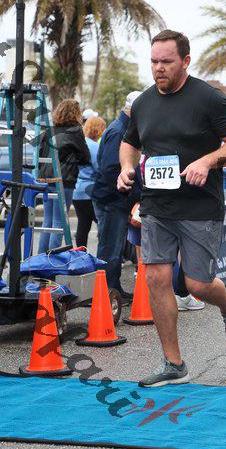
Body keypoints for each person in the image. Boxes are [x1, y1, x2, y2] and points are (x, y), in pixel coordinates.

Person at [118, 29, 226, 388]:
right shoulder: (143, 103)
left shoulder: (210, 99)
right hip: (157, 206)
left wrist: (207, 160)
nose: (158, 68)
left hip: (199, 207)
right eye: (153, 61)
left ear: (186, 61)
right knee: (156, 278)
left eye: (166, 61)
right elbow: (130, 143)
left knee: (198, 284)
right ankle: (173, 364)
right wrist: (126, 167)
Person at [92, 92, 142, 302]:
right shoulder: (118, 132)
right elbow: (112, 169)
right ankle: (107, 292)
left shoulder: (121, 128)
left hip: (114, 199)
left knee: (113, 247)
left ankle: (113, 288)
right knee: (110, 248)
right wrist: (131, 194)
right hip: (112, 200)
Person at [38, 100, 90, 253]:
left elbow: (40, 153)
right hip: (64, 179)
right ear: (76, 113)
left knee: (47, 221)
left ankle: (41, 256)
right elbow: (85, 157)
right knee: (59, 221)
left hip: (45, 178)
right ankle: (52, 258)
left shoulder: (49, 130)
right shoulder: (75, 131)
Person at [72, 116, 106, 248]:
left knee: (83, 225)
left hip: (77, 190)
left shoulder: (79, 143)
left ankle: (81, 254)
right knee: (103, 223)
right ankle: (104, 253)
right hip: (90, 190)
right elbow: (100, 169)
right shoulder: (95, 147)